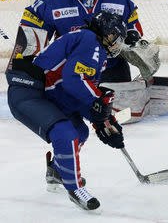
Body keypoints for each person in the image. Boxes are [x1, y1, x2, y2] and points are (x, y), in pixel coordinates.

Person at [10, 0, 168, 122]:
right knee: (72, 114)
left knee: (123, 115)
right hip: (71, 71)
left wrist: (133, 40)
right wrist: (26, 58)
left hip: (111, 67)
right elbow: (32, 24)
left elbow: (132, 25)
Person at [6, 11, 128, 210]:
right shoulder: (91, 43)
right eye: (115, 37)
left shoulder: (90, 45)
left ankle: (56, 172)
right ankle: (75, 189)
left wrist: (105, 120)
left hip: (47, 93)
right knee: (66, 133)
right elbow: (74, 82)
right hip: (28, 92)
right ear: (105, 32)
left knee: (80, 132)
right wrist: (99, 104)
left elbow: (71, 89)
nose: (116, 43)